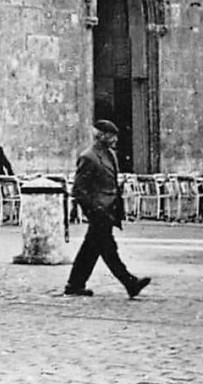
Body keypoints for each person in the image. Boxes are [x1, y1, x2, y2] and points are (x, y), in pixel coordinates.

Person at [64, 120, 150, 299]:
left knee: (92, 248)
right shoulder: (89, 157)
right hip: (99, 211)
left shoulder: (110, 155)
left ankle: (75, 284)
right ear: (101, 135)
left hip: (109, 210)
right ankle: (129, 283)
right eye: (112, 135)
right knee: (108, 249)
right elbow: (79, 190)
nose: (115, 139)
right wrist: (94, 210)